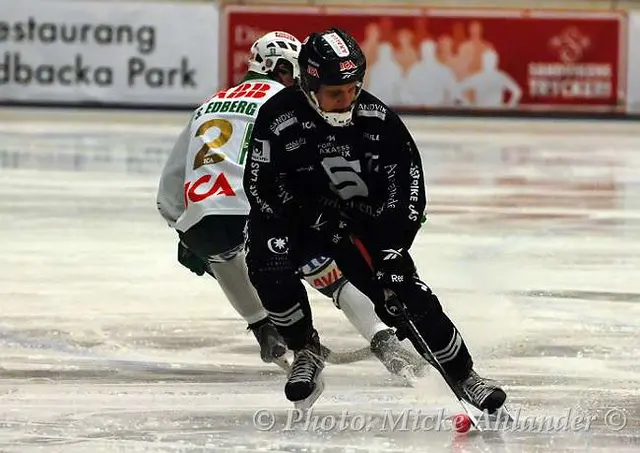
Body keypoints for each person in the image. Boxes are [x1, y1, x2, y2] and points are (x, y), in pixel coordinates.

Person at [243, 28, 508, 411]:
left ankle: (466, 376)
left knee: (400, 288)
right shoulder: (277, 116)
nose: (347, 100)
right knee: (267, 262)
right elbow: (260, 186)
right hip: (300, 218)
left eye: (353, 89)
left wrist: (393, 245)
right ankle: (305, 349)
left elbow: (409, 186)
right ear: (309, 86)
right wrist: (309, 215)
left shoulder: (377, 118)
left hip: (360, 221)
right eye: (336, 93)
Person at [156, 31, 425, 380]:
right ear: (283, 68)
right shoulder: (287, 106)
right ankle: (382, 338)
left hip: (204, 219)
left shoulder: (208, 105)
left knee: (225, 252)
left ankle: (264, 330)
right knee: (332, 271)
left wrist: (184, 232)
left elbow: (169, 194)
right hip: (258, 209)